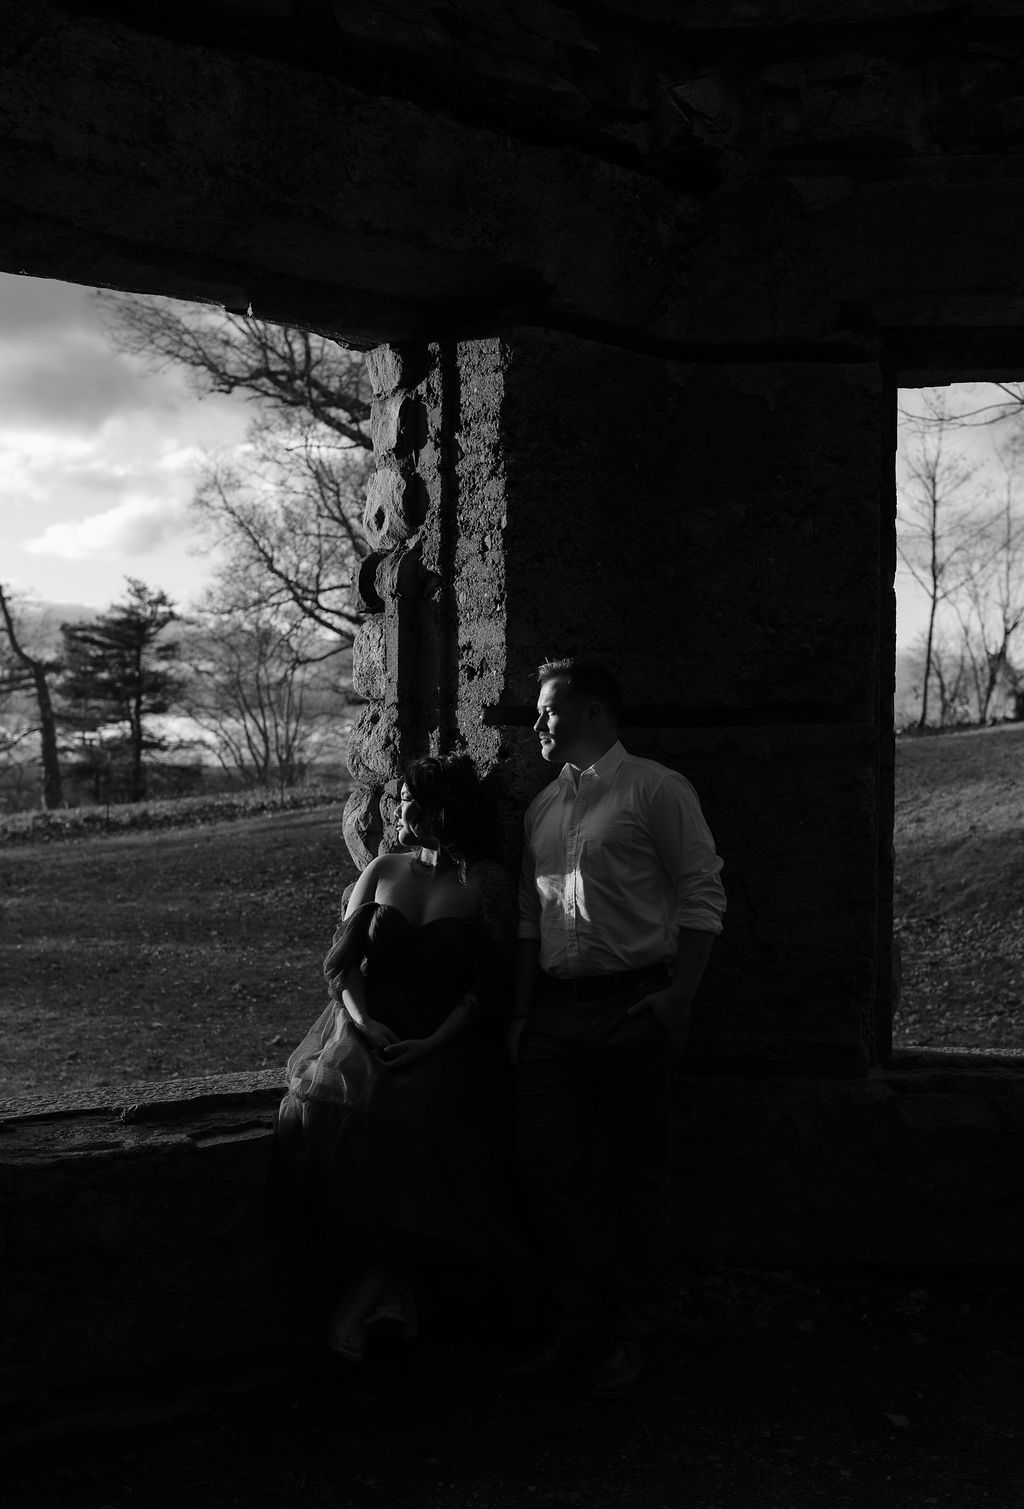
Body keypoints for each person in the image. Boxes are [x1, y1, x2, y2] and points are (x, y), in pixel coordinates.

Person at [507, 658, 726, 1400]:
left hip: (636, 1007)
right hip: (556, 1017)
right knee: (550, 1173)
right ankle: (574, 1332)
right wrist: (520, 1013)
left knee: (639, 1177)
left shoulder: (654, 789)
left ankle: (632, 1339)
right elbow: (529, 920)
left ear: (596, 712)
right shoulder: (542, 808)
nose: (536, 723)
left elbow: (702, 894)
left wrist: (676, 1002)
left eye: (548, 711)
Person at [275, 753, 527, 1363]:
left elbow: (491, 983)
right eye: (395, 798)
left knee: (426, 1133)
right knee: (345, 1122)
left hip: (447, 1038)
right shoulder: (384, 868)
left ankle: (375, 1293)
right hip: (364, 1029)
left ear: (445, 807)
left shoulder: (485, 883)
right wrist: (364, 1025)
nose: (397, 809)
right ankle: (388, 1290)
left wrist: (435, 1042)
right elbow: (342, 966)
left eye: (409, 798)